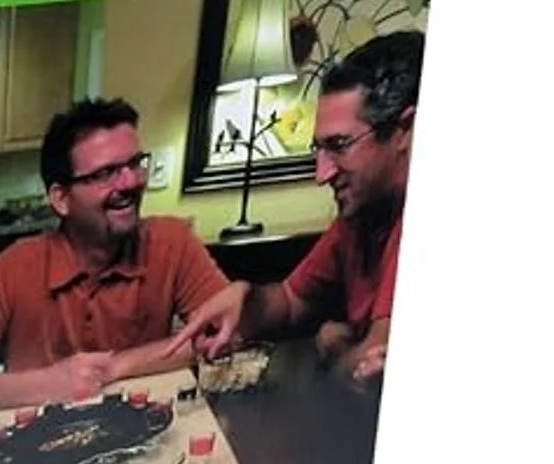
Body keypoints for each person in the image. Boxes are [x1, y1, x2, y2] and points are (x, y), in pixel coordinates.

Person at [0, 98, 232, 407]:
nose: (131, 182)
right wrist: (45, 385)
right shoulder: (17, 267)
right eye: (105, 174)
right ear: (61, 199)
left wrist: (115, 367)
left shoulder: (172, 242)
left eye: (135, 164)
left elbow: (230, 333)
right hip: (38, 437)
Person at [170, 31, 424, 383]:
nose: (322, 174)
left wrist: (335, 346)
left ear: (406, 131)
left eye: (340, 145)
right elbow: (291, 301)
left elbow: (369, 371)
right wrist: (245, 297)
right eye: (319, 149)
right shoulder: (359, 217)